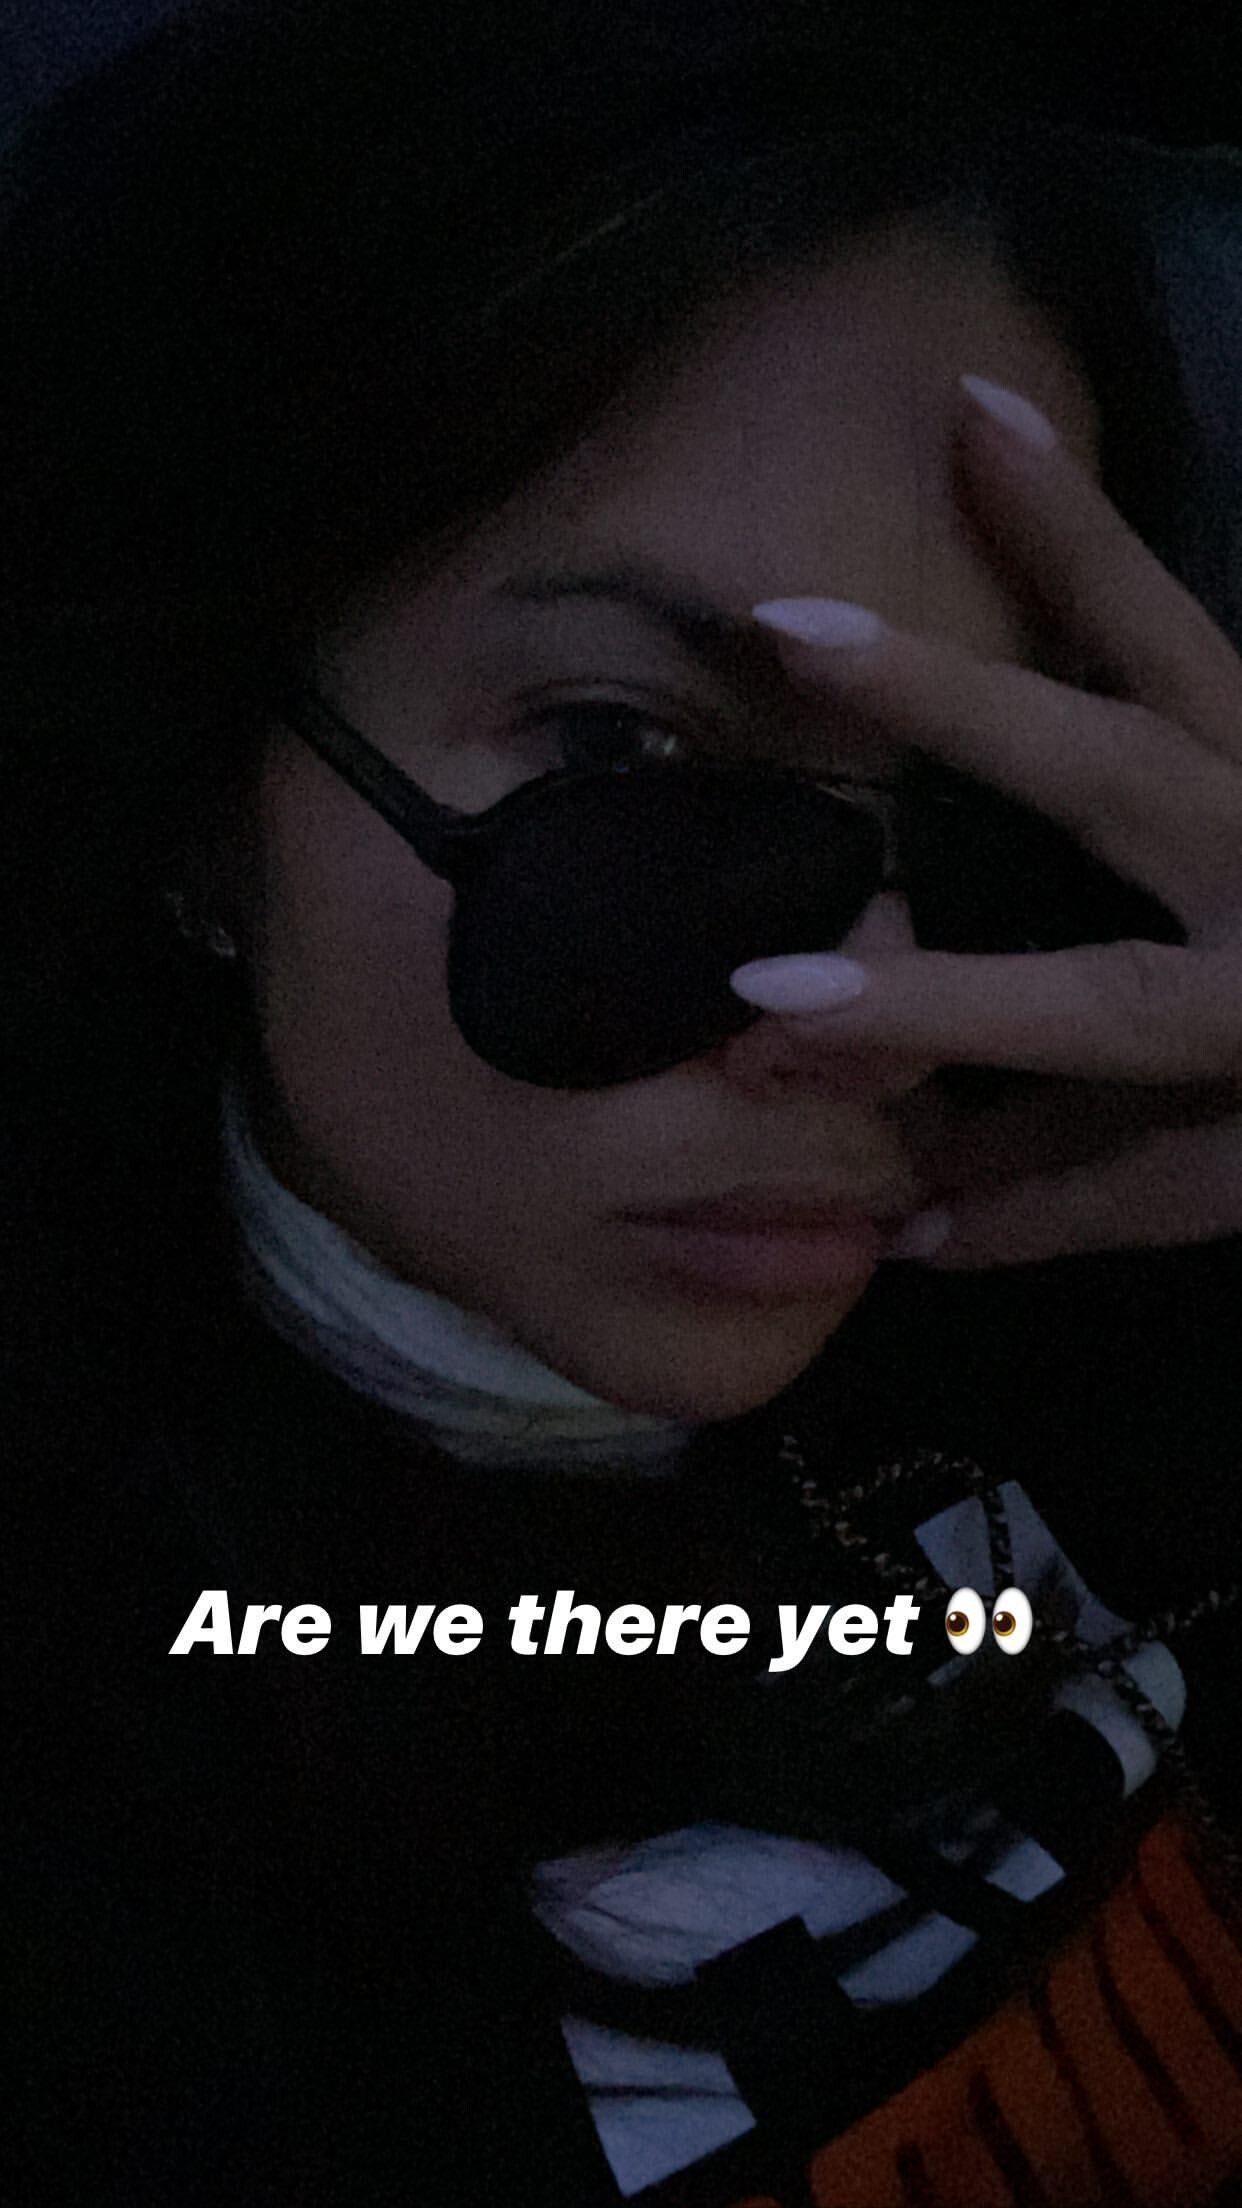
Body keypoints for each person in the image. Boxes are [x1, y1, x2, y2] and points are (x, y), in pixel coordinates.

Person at [7, 3, 1242, 2202]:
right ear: (206, 781)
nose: (870, 1019)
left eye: (987, 791)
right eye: (623, 761)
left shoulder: (1126, 1193)